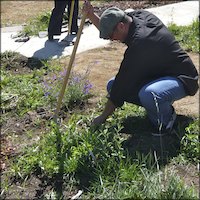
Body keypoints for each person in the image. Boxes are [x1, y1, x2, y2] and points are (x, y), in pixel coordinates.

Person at [83, 1, 199, 135]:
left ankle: (166, 121)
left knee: (149, 94)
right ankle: (159, 107)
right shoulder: (137, 17)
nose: (111, 39)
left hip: (182, 77)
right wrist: (91, 16)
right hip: (158, 72)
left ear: (121, 26)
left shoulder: (140, 44)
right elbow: (112, 26)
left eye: (110, 36)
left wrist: (102, 118)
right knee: (112, 85)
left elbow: (121, 85)